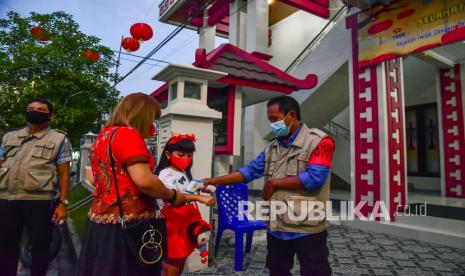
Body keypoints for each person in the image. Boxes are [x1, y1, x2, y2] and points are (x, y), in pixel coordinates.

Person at [204, 96, 335, 276]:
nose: (272, 124)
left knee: (315, 271)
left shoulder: (319, 142)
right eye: (269, 120)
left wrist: (275, 183)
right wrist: (215, 181)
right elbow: (249, 171)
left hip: (307, 227)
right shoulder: (272, 147)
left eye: (274, 119)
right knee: (277, 270)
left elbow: (315, 177)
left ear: (291, 115)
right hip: (277, 226)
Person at [76, 93, 187, 276]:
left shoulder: (104, 136)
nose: (153, 124)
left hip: (101, 223)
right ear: (141, 114)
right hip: (128, 226)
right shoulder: (128, 135)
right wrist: (172, 196)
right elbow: (144, 181)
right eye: (152, 118)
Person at [0, 99, 72, 276]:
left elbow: (64, 173)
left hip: (39, 200)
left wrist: (63, 203)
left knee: (40, 245)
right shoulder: (10, 137)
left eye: (40, 109)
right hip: (7, 198)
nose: (34, 111)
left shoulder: (59, 138)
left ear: (51, 115)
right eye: (30, 109)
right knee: (5, 245)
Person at [154, 133, 216, 276]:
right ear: (168, 155)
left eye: (189, 156)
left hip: (185, 221)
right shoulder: (165, 174)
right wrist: (199, 197)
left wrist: (202, 187)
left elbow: (187, 189)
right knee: (173, 259)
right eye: (181, 155)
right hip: (174, 223)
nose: (186, 159)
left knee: (182, 257)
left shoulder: (182, 172)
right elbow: (173, 197)